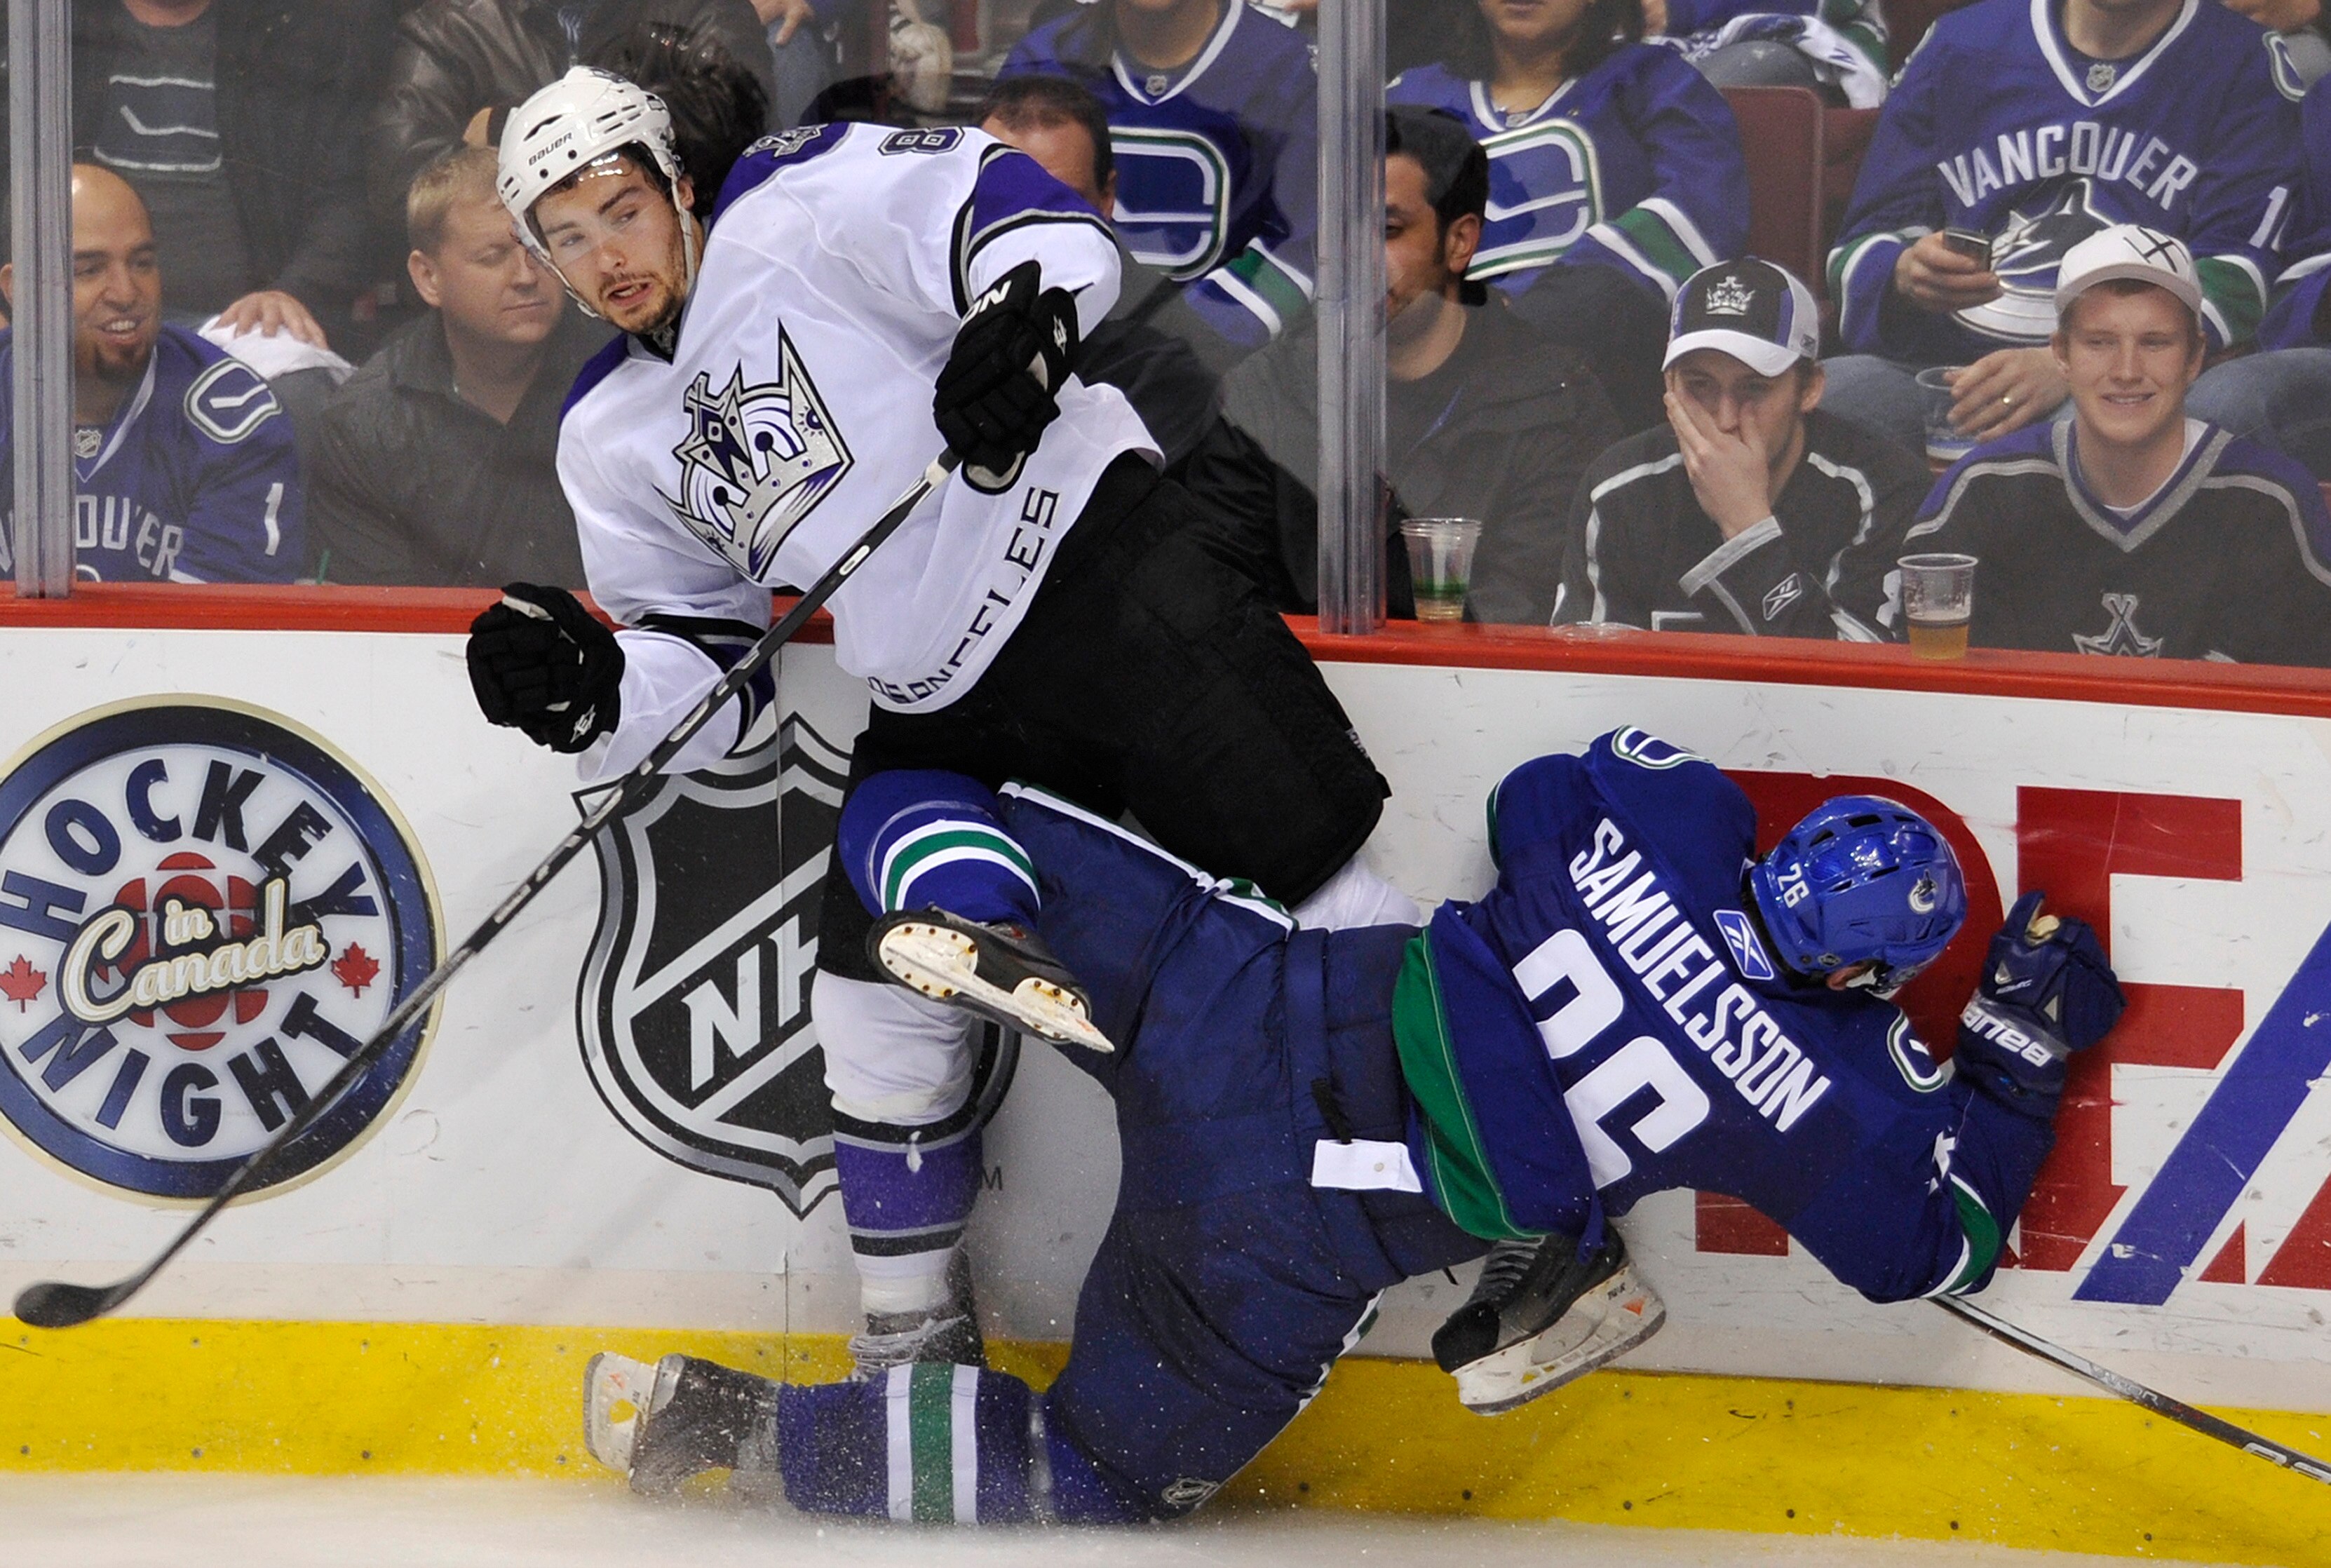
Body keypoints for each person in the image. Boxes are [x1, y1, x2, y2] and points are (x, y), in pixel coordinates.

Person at [574, 725, 2125, 1522]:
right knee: (1091, 1478)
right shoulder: (1834, 1095)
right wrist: (2008, 1059)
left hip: (1247, 1002)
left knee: (920, 791)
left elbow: (1532, 798)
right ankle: (723, 1426)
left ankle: (978, 905)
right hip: (1293, 1233)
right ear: (1864, 980)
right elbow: (1929, 1252)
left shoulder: (1666, 817)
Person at [464, 63, 1399, 1373]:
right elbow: (714, 668)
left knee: (1331, 900)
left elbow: (1028, 218)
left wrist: (1022, 323)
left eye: (622, 213)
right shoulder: (605, 430)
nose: (606, 257)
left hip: (1101, 577)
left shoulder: (795, 200)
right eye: (567, 238)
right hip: (939, 696)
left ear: (678, 188)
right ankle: (913, 1345)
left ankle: (1529, 1211)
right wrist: (599, 692)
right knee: (866, 998)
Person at [1182, 107, 1623, 625]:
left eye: (1387, 230)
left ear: (1459, 242)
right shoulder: (1262, 396)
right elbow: (1219, 603)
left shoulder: (1557, 405)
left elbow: (1521, 620)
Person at [1821, 0, 2304, 457]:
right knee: (1833, 399)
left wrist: (2076, 363)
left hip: (2125, 378)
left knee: (2093, 436)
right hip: (1946, 370)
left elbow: (2239, 276)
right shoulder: (1958, 43)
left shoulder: (2244, 63)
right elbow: (1862, 244)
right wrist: (1905, 273)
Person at [1902, 225, 2331, 665]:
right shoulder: (1984, 492)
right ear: (2061, 354)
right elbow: (1924, 684)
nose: (2127, 371)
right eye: (2100, 343)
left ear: (2194, 357)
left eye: (2155, 343)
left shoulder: (2270, 505)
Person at [1386, 0, 1750, 428]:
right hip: (1425, 375)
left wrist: (1539, 308)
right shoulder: (1410, 97)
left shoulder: (1655, 79)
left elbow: (1704, 210)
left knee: (1600, 295)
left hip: (1595, 381)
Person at [1553, 257, 1925, 638]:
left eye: (1754, 388)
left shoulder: (1882, 489)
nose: (1726, 419)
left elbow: (1857, 673)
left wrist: (1748, 528)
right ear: (1669, 384)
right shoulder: (1617, 490)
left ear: (1810, 388)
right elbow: (1583, 667)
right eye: (1700, 385)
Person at [0, 0, 391, 346]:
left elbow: (349, 198)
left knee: (300, 393)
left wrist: (293, 294)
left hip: (246, 334)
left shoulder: (301, 32)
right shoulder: (42, 23)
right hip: (63, 331)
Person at [308, 147, 609, 586]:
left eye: (540, 248)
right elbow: (379, 620)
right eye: (492, 257)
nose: (526, 276)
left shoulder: (624, 375)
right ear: (428, 278)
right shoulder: (363, 425)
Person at [0, 165, 304, 583]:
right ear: (19, 289)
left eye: (142, 264)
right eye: (89, 270)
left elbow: (217, 623)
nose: (126, 293)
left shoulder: (234, 427)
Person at [999, 0, 1320, 356]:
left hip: (1224, 372)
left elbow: (1299, 247)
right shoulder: (1042, 61)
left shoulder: (1289, 70)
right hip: (1066, 357)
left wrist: (1188, 347)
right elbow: (1002, 233)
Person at [978, 73, 1228, 467]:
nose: (1030, 230)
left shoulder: (1165, 356)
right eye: (1004, 203)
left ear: (1107, 197)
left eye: (1061, 204)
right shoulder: (915, 307)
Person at [367, 0, 776, 236]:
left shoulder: (698, 5)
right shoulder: (452, 27)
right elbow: (401, 185)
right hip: (523, 296)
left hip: (684, 276)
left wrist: (514, 130)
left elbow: (735, 125)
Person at [1649, 0, 1891, 107]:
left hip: (1807, 44)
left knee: (1682, 101)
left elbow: (1832, 5)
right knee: (1633, 90)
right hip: (1681, 41)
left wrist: (1683, 8)